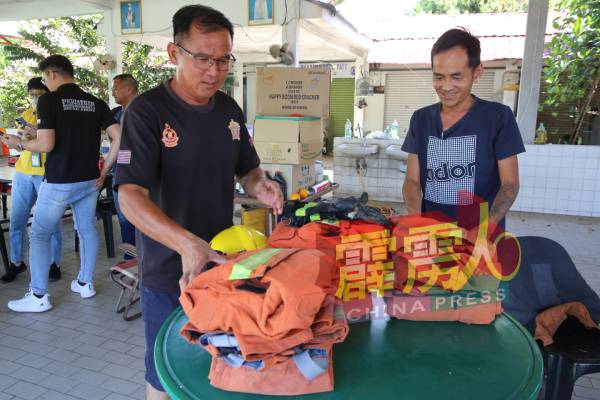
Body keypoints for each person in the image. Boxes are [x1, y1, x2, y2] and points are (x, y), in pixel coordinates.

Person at [114, 5, 283, 399]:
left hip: (223, 266)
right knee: (166, 374)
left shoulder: (229, 110)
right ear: (175, 54)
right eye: (203, 58)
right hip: (171, 272)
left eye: (223, 60)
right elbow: (129, 196)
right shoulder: (147, 112)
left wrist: (262, 186)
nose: (214, 70)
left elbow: (249, 170)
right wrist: (186, 243)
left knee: (218, 364)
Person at [4, 55, 121, 313]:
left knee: (39, 234)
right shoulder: (95, 102)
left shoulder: (49, 100)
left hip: (60, 181)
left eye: (45, 78)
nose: (45, 83)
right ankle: (84, 282)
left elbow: (47, 145)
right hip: (90, 178)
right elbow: (119, 136)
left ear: (52, 74)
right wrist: (106, 171)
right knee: (86, 229)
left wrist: (19, 143)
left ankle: (38, 295)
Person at [401, 28, 525, 229]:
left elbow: (510, 185)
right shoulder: (421, 119)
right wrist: (416, 219)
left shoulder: (498, 117)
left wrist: (485, 229)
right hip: (433, 235)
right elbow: (412, 181)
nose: (446, 86)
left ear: (477, 73)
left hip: (482, 240)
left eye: (456, 77)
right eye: (439, 77)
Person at [1, 78, 62, 284]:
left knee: (50, 221)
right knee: (17, 220)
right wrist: (18, 140)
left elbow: (58, 143)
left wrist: (37, 136)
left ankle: (55, 263)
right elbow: (21, 145)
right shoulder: (25, 116)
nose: (35, 98)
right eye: (32, 94)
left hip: (48, 173)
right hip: (24, 172)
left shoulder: (57, 113)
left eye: (39, 94)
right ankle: (17, 262)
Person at [110, 73, 138, 257]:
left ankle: (137, 257)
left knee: (136, 217)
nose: (112, 92)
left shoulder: (142, 111)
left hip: (134, 173)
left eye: (115, 88)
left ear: (128, 89)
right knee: (123, 217)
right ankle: (130, 256)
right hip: (119, 169)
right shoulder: (117, 113)